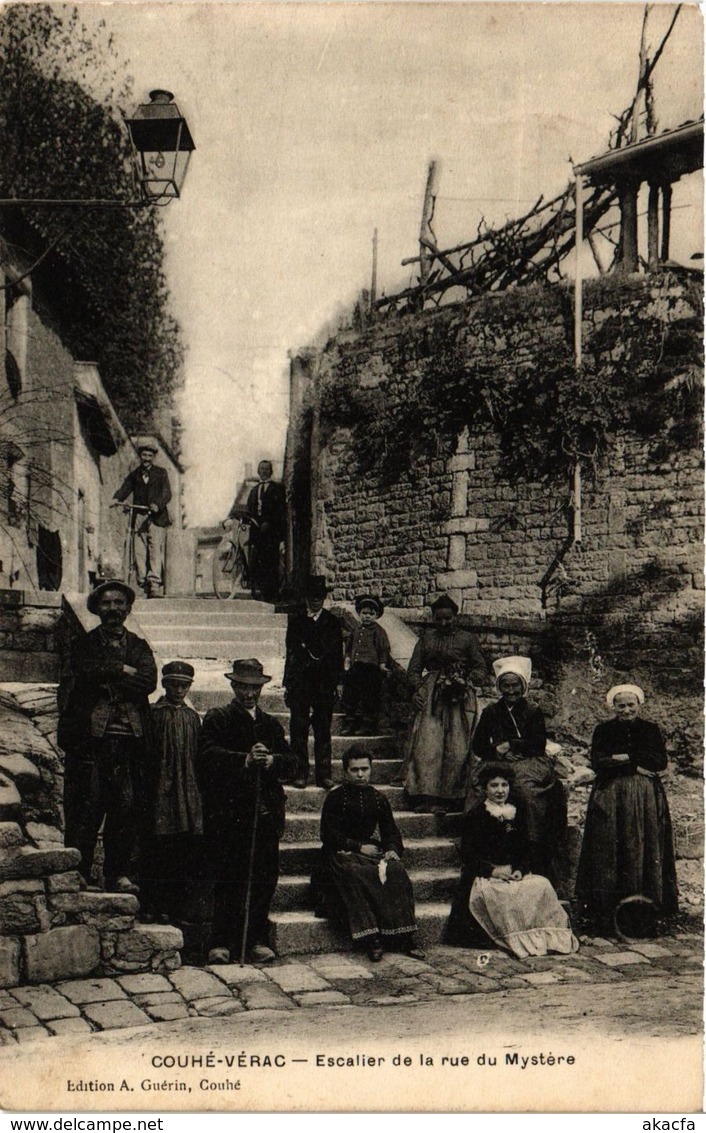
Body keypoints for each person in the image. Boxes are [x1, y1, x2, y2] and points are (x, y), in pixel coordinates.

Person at [57, 580, 157, 894]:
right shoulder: (84, 643)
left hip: (130, 741)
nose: (113, 609)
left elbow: (148, 681)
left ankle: (117, 874)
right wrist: (121, 670)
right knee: (86, 805)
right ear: (98, 609)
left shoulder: (139, 646)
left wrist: (112, 677)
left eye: (119, 603)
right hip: (91, 741)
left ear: (128, 609)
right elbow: (85, 671)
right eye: (107, 603)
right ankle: (79, 870)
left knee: (125, 808)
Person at [197, 658, 298, 964]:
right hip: (229, 814)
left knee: (264, 879)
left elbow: (293, 762)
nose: (248, 693)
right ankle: (222, 942)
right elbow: (205, 755)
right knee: (229, 877)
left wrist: (272, 762)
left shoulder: (269, 724)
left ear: (261, 688)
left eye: (254, 687)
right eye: (242, 686)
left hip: (265, 814)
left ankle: (254, 940)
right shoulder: (218, 718)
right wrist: (242, 760)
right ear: (233, 685)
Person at [575, 683, 679, 937]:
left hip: (645, 799)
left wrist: (625, 758)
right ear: (614, 707)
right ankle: (606, 916)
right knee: (610, 848)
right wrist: (635, 765)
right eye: (621, 705)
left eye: (631, 705)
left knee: (641, 848)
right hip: (611, 796)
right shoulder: (604, 730)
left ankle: (642, 917)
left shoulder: (650, 730)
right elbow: (599, 762)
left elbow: (659, 762)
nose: (626, 710)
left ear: (639, 705)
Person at [446, 763, 578, 959]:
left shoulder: (517, 810)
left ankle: (543, 938)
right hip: (487, 874)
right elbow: (469, 855)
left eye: (504, 785)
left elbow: (526, 846)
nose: (500, 791)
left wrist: (520, 869)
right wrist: (493, 871)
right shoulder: (476, 815)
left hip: (513, 872)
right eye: (494, 786)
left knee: (542, 886)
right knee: (497, 893)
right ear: (485, 789)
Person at [313, 745, 426, 962]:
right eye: (355, 770)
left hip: (370, 851)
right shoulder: (335, 798)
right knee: (354, 873)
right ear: (346, 771)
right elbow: (327, 833)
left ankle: (404, 936)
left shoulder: (378, 798)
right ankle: (371, 938)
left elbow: (390, 831)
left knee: (396, 870)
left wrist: (392, 850)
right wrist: (357, 847)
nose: (360, 774)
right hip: (340, 852)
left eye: (364, 769)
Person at [470, 656, 567, 882]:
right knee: (479, 790)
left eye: (515, 686)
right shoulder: (491, 712)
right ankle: (482, 850)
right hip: (500, 761)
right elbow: (478, 744)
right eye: (506, 686)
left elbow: (538, 744)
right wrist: (497, 750)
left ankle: (531, 847)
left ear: (523, 687)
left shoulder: (533, 711)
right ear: (499, 688)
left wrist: (513, 745)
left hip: (529, 761)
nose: (511, 690)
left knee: (524, 791)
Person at [404, 594, 487, 815]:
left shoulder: (468, 639)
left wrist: (466, 680)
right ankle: (425, 795)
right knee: (428, 746)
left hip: (459, 698)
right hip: (432, 696)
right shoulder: (426, 639)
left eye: (448, 618)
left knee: (457, 748)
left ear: (455, 616)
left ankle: (453, 797)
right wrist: (418, 689)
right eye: (439, 619)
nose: (444, 623)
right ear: (433, 618)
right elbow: (412, 670)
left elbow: (481, 668)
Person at [141, 662, 203, 924]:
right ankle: (151, 905)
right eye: (174, 684)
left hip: (186, 792)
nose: (179, 690)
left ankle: (175, 908)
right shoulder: (154, 714)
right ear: (164, 685)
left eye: (184, 685)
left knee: (181, 850)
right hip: (159, 791)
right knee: (156, 849)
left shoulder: (192, 718)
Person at [283, 575, 344, 789]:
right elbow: (290, 653)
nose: (315, 601)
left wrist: (338, 683)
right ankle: (300, 773)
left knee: (322, 728)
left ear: (325, 598)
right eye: (311, 597)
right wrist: (288, 684)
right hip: (301, 683)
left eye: (319, 597)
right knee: (298, 728)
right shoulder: (297, 621)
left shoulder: (332, 622)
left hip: (324, 684)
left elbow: (337, 655)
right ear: (306, 598)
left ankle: (323, 774)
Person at [111, 439, 172, 598]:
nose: (146, 458)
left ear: (153, 457)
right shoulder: (135, 475)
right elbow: (125, 488)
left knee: (154, 549)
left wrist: (157, 505)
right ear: (140, 456)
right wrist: (117, 499)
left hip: (156, 517)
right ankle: (142, 581)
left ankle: (154, 583)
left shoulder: (161, 473)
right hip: (139, 516)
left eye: (149, 455)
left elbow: (167, 494)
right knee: (139, 550)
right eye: (144, 455)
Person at [340, 595, 391, 736]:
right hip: (356, 668)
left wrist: (382, 664)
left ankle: (367, 724)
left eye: (371, 614)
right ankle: (350, 722)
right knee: (350, 694)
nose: (367, 617)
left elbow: (383, 649)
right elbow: (349, 648)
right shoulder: (356, 631)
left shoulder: (379, 632)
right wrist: (348, 660)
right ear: (359, 614)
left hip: (370, 669)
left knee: (368, 696)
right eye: (364, 613)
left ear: (376, 615)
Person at [246, 459, 286, 602]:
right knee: (258, 562)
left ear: (271, 471)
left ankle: (273, 594)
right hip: (257, 533)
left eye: (267, 469)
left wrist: (269, 522)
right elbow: (250, 510)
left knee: (271, 562)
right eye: (261, 468)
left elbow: (280, 511)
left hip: (271, 534)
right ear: (258, 471)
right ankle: (262, 592)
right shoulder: (254, 491)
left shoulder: (277, 488)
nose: (264, 471)